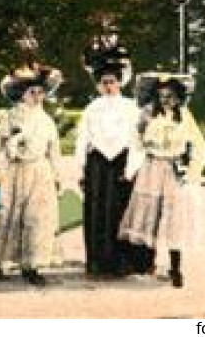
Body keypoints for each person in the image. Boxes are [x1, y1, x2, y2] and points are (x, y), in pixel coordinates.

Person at [119, 74, 205, 288]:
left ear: (179, 97)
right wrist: (131, 167)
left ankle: (175, 267)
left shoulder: (184, 117)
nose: (166, 100)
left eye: (170, 96)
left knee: (174, 216)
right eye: (161, 96)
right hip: (152, 168)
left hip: (172, 168)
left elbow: (199, 145)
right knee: (147, 212)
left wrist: (191, 171)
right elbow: (134, 141)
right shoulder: (148, 114)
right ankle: (144, 261)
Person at [73, 42, 148, 277]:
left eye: (112, 82)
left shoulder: (131, 108)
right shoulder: (91, 108)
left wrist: (132, 167)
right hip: (98, 166)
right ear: (98, 84)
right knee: (97, 212)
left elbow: (136, 139)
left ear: (119, 82)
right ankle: (98, 261)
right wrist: (81, 169)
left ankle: (122, 262)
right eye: (103, 82)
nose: (108, 86)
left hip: (121, 163)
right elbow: (83, 139)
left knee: (120, 211)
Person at [0, 64, 64, 286]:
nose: (37, 97)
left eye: (41, 92)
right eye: (32, 92)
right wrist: (12, 143)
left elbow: (54, 148)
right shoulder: (12, 116)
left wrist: (57, 174)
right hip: (16, 171)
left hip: (40, 171)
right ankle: (2, 261)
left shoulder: (46, 120)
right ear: (22, 94)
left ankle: (32, 263)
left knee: (37, 216)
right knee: (11, 213)